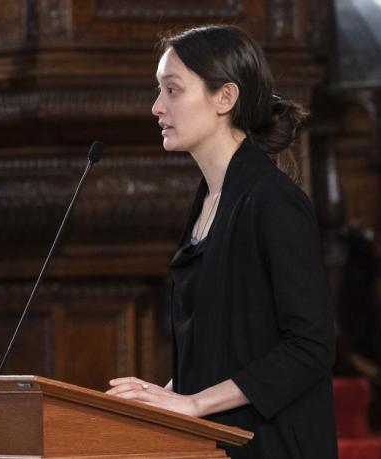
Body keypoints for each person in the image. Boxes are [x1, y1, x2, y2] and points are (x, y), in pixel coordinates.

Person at [106, 25, 338, 458]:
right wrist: (162, 397)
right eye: (159, 91)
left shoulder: (272, 201)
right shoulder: (210, 200)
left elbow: (311, 347)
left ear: (225, 98)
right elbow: (225, 346)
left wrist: (193, 403)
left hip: (273, 445)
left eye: (172, 90)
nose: (157, 107)